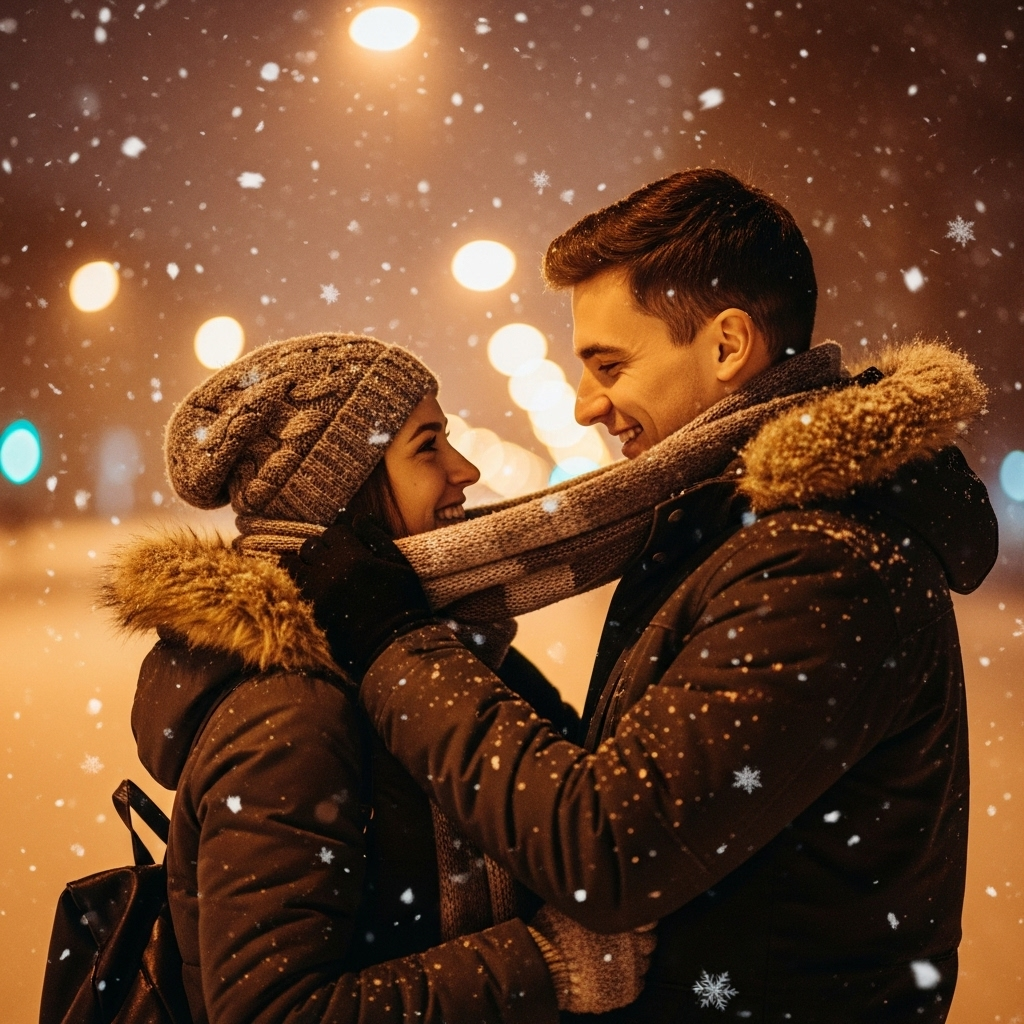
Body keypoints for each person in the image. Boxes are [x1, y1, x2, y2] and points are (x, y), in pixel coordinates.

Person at [284, 171, 999, 1021]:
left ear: (727, 345)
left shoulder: (819, 564)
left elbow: (609, 850)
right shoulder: (733, 525)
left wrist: (396, 643)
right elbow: (632, 773)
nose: (587, 405)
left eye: (610, 365)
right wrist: (462, 654)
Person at [102, 333, 655, 1024]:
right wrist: (543, 965)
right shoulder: (290, 716)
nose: (466, 469)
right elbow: (274, 1013)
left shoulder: (430, 650)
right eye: (428, 447)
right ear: (343, 491)